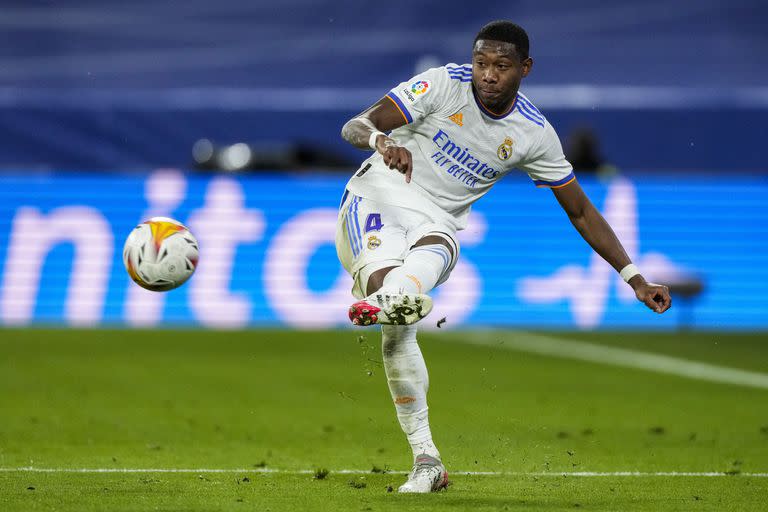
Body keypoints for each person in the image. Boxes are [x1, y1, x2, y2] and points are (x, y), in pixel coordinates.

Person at [335, 20, 672, 493]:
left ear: (525, 69)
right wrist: (383, 141)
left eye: (501, 65)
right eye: (481, 63)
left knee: (422, 275)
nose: (488, 75)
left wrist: (634, 277)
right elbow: (355, 124)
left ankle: (426, 459)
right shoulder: (442, 84)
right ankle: (396, 299)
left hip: (438, 222)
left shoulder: (533, 134)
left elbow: (580, 210)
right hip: (376, 200)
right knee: (397, 314)